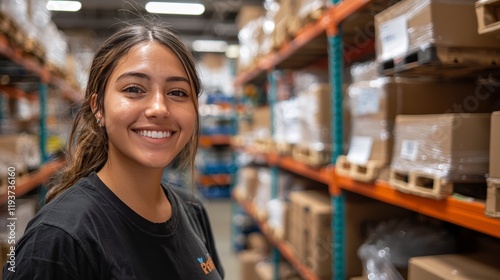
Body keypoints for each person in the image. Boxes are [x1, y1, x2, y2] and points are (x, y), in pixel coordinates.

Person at [3, 21, 224, 279]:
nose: (159, 108)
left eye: (177, 92)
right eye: (133, 89)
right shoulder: (59, 239)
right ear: (98, 107)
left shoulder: (192, 210)